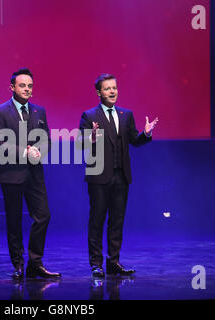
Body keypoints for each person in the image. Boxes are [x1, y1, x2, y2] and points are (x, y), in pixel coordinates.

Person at [79, 73, 159, 277]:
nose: (112, 91)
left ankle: (113, 262)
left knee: (117, 220)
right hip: (99, 177)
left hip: (121, 177)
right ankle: (96, 264)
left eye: (114, 87)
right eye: (107, 88)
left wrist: (146, 133)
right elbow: (81, 144)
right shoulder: (89, 116)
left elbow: (134, 140)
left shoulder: (126, 115)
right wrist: (92, 139)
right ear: (99, 92)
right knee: (97, 220)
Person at [0, 68, 61, 279]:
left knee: (43, 216)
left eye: (30, 85)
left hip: (34, 173)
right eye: (22, 85)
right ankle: (18, 264)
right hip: (11, 173)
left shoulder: (39, 111)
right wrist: (24, 151)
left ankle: (35, 263)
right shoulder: (0, 112)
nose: (27, 89)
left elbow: (46, 139)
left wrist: (40, 150)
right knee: (14, 220)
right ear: (12, 87)